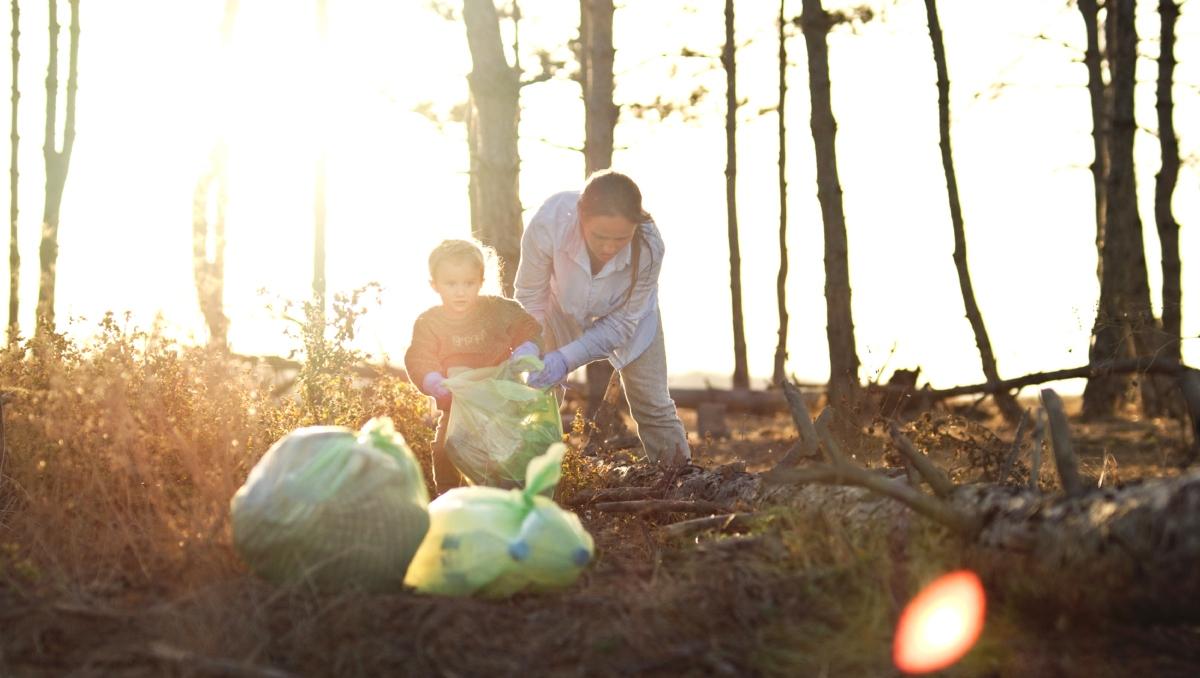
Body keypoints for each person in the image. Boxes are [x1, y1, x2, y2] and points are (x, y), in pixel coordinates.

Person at [515, 169, 691, 466]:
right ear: (581, 217)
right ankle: (533, 480)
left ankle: (681, 482)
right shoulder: (550, 222)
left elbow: (621, 325)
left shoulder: (650, 246)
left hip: (630, 315)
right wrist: (532, 342)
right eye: (599, 236)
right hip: (557, 305)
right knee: (538, 396)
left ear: (638, 224)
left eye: (621, 238)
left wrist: (566, 358)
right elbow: (531, 294)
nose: (609, 248)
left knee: (653, 404)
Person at [405, 239, 543, 494]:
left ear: (480, 281)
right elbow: (419, 356)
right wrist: (432, 380)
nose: (460, 291)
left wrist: (526, 349)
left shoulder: (498, 310)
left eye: (469, 283)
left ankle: (506, 498)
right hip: (457, 406)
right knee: (445, 448)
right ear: (434, 285)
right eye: (451, 284)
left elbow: (528, 328)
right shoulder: (430, 322)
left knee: (504, 456)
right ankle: (449, 497)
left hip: (500, 405)